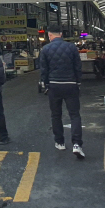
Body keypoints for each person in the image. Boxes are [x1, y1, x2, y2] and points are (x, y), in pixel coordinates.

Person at [39, 23, 84, 159]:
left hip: (54, 85)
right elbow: (78, 66)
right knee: (74, 115)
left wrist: (45, 84)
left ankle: (60, 142)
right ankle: (77, 144)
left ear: (49, 35)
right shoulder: (71, 47)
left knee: (56, 115)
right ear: (61, 34)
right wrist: (78, 81)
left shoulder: (45, 49)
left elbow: (43, 70)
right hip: (70, 84)